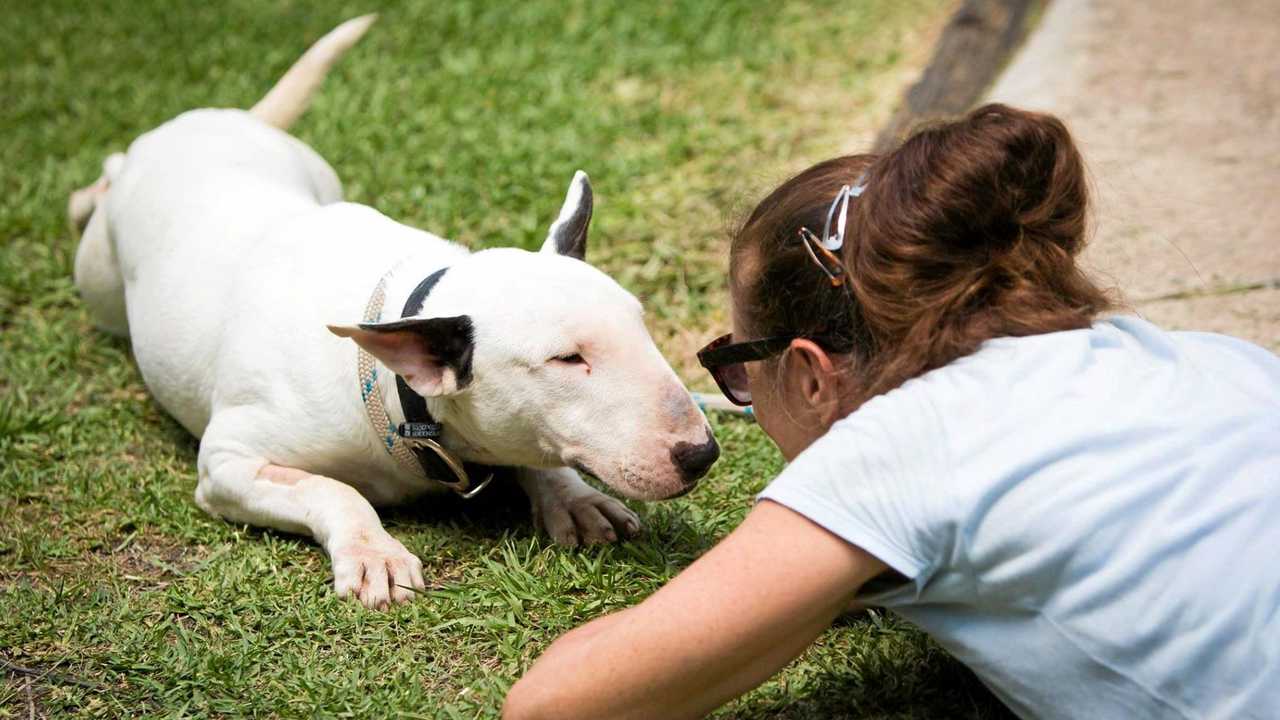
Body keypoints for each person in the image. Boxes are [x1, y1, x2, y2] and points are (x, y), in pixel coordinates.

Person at [501, 104, 1280, 719]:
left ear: (809, 373)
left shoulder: (901, 443)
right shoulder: (1207, 359)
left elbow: (554, 704)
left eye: (739, 365)